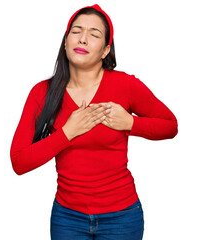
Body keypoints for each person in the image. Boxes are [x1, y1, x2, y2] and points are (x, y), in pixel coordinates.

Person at [10, 4, 178, 240]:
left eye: (94, 34)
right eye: (76, 31)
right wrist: (67, 133)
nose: (83, 39)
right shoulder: (42, 93)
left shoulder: (126, 86)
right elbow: (19, 162)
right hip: (67, 218)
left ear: (105, 50)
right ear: (66, 42)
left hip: (122, 217)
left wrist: (130, 123)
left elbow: (171, 125)